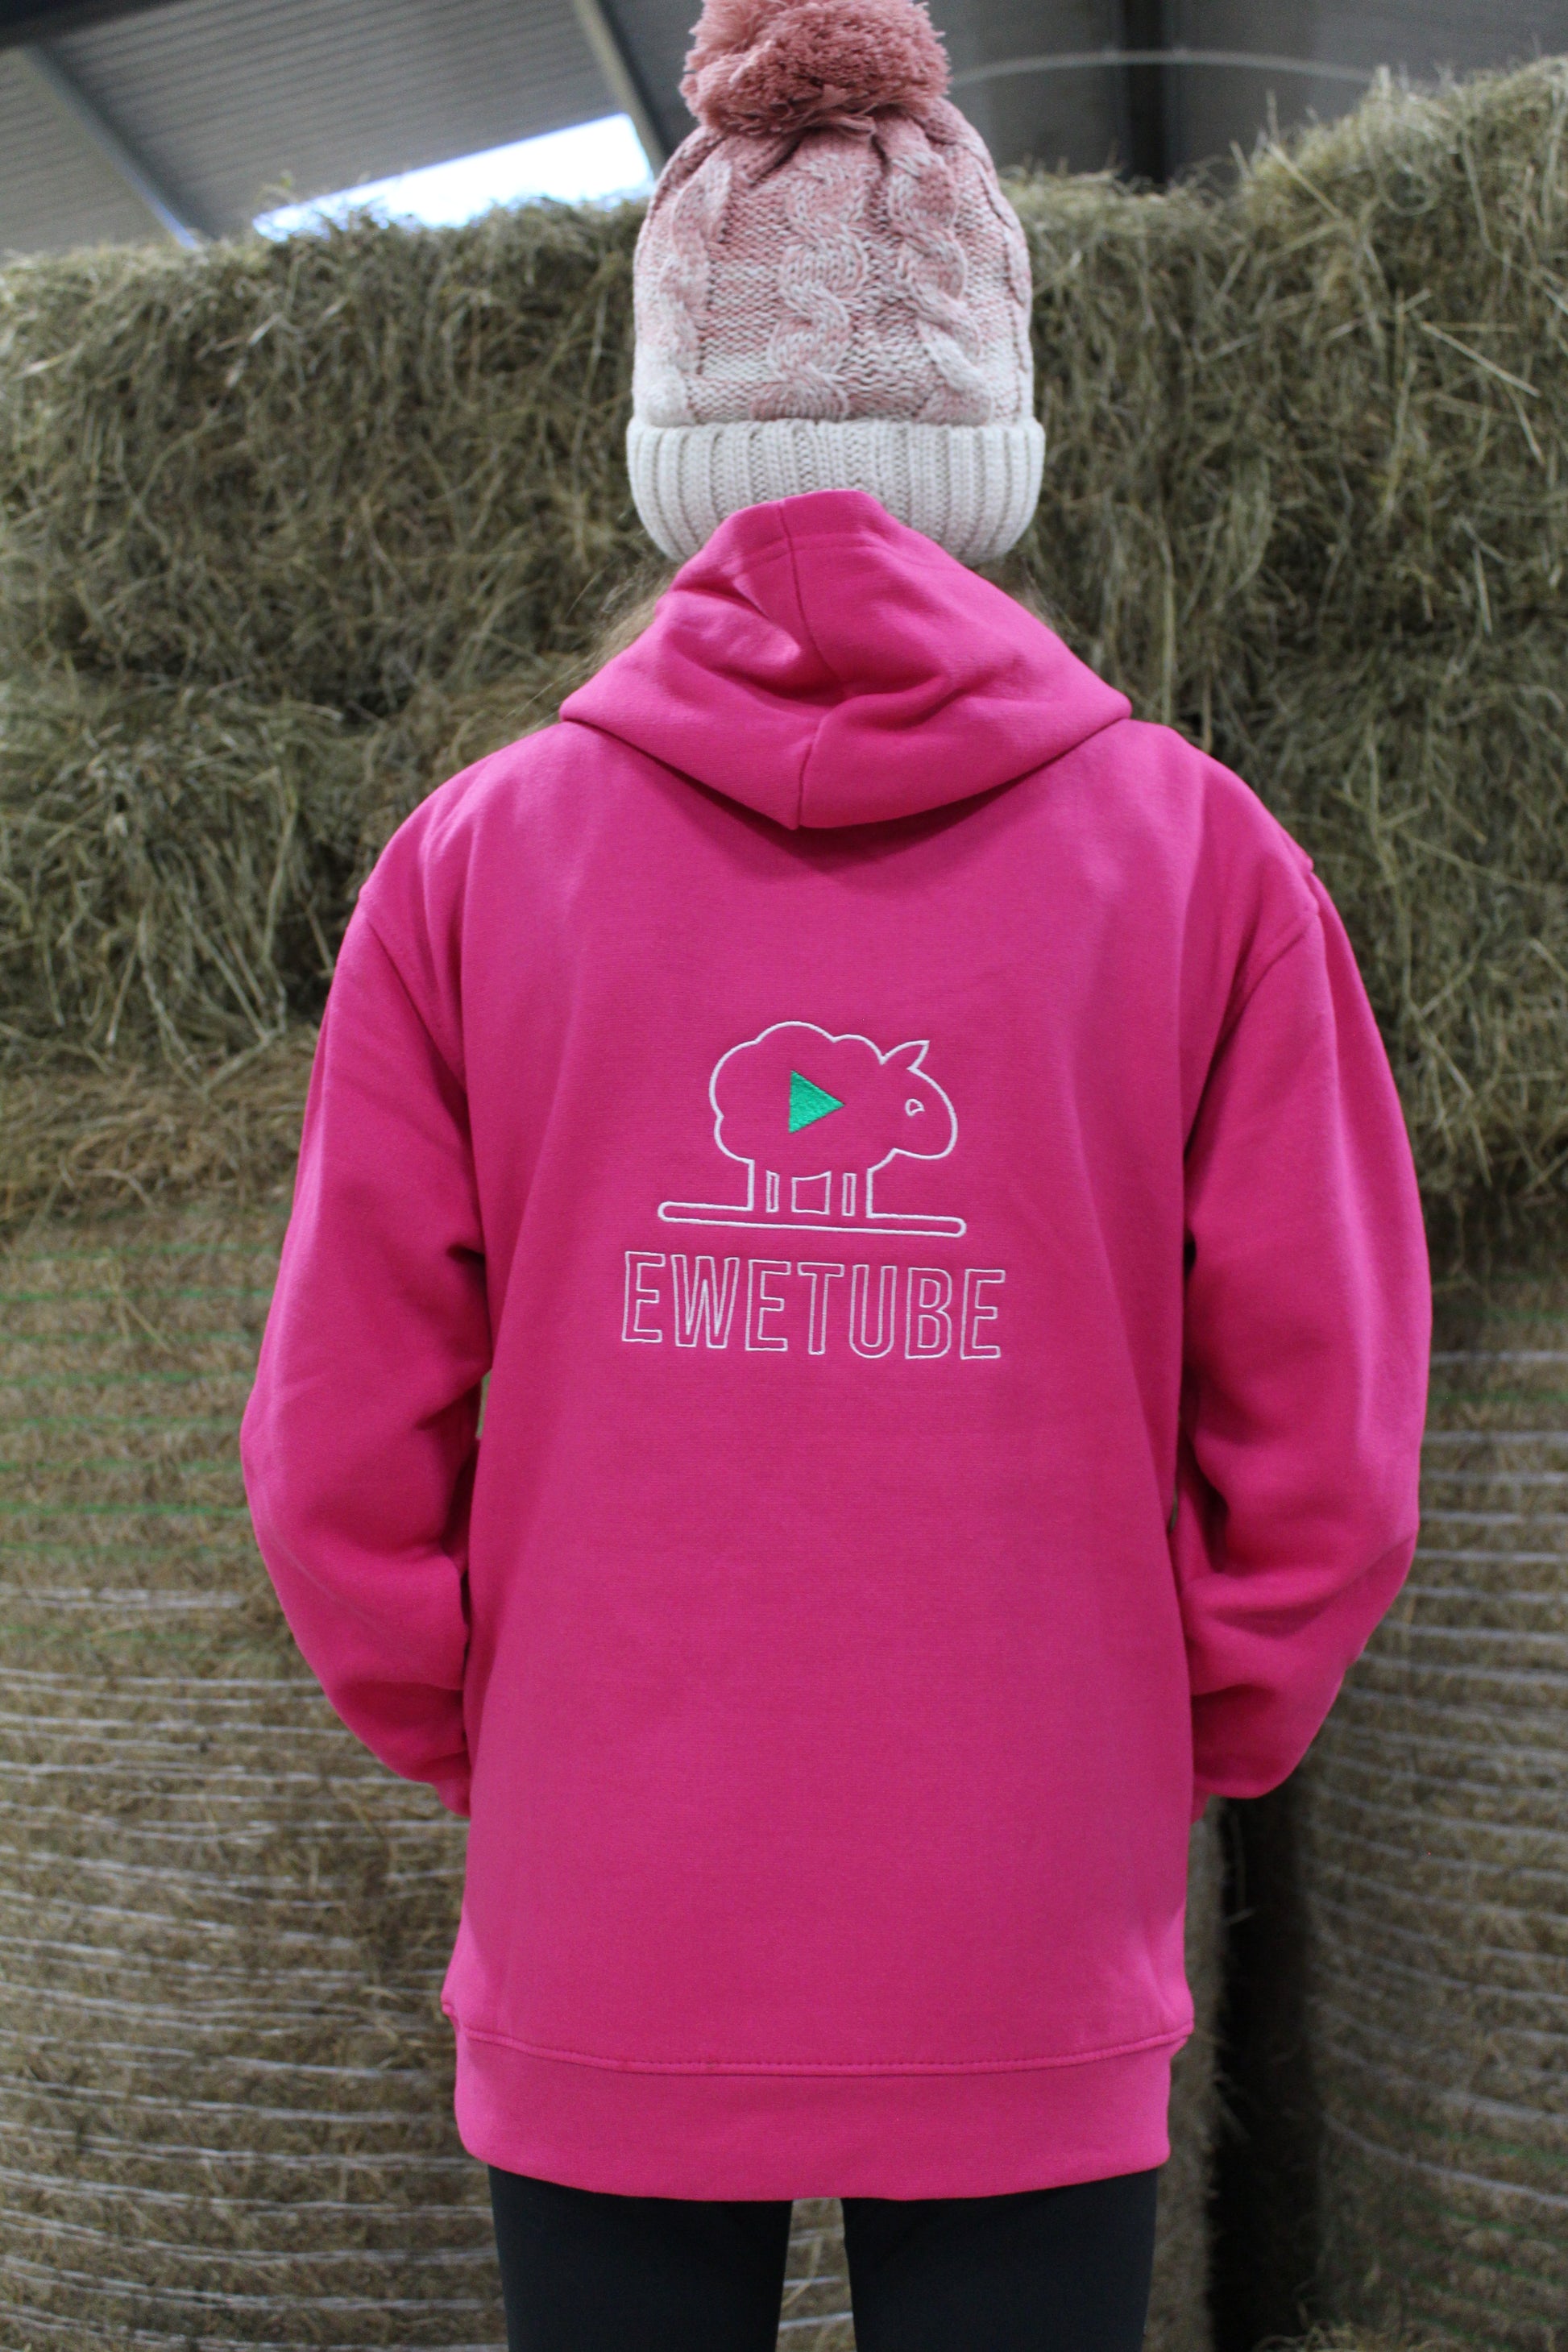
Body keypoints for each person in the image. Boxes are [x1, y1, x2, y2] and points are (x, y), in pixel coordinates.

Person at [239, 1, 1431, 2345]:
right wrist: (1156, 1731)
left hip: (608, 1908)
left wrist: (508, 1737)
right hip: (1023, 1913)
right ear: (988, 444)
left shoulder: (473, 864)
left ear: (674, 444)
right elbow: (1329, 1437)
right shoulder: (1202, 862)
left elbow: (337, 1439)